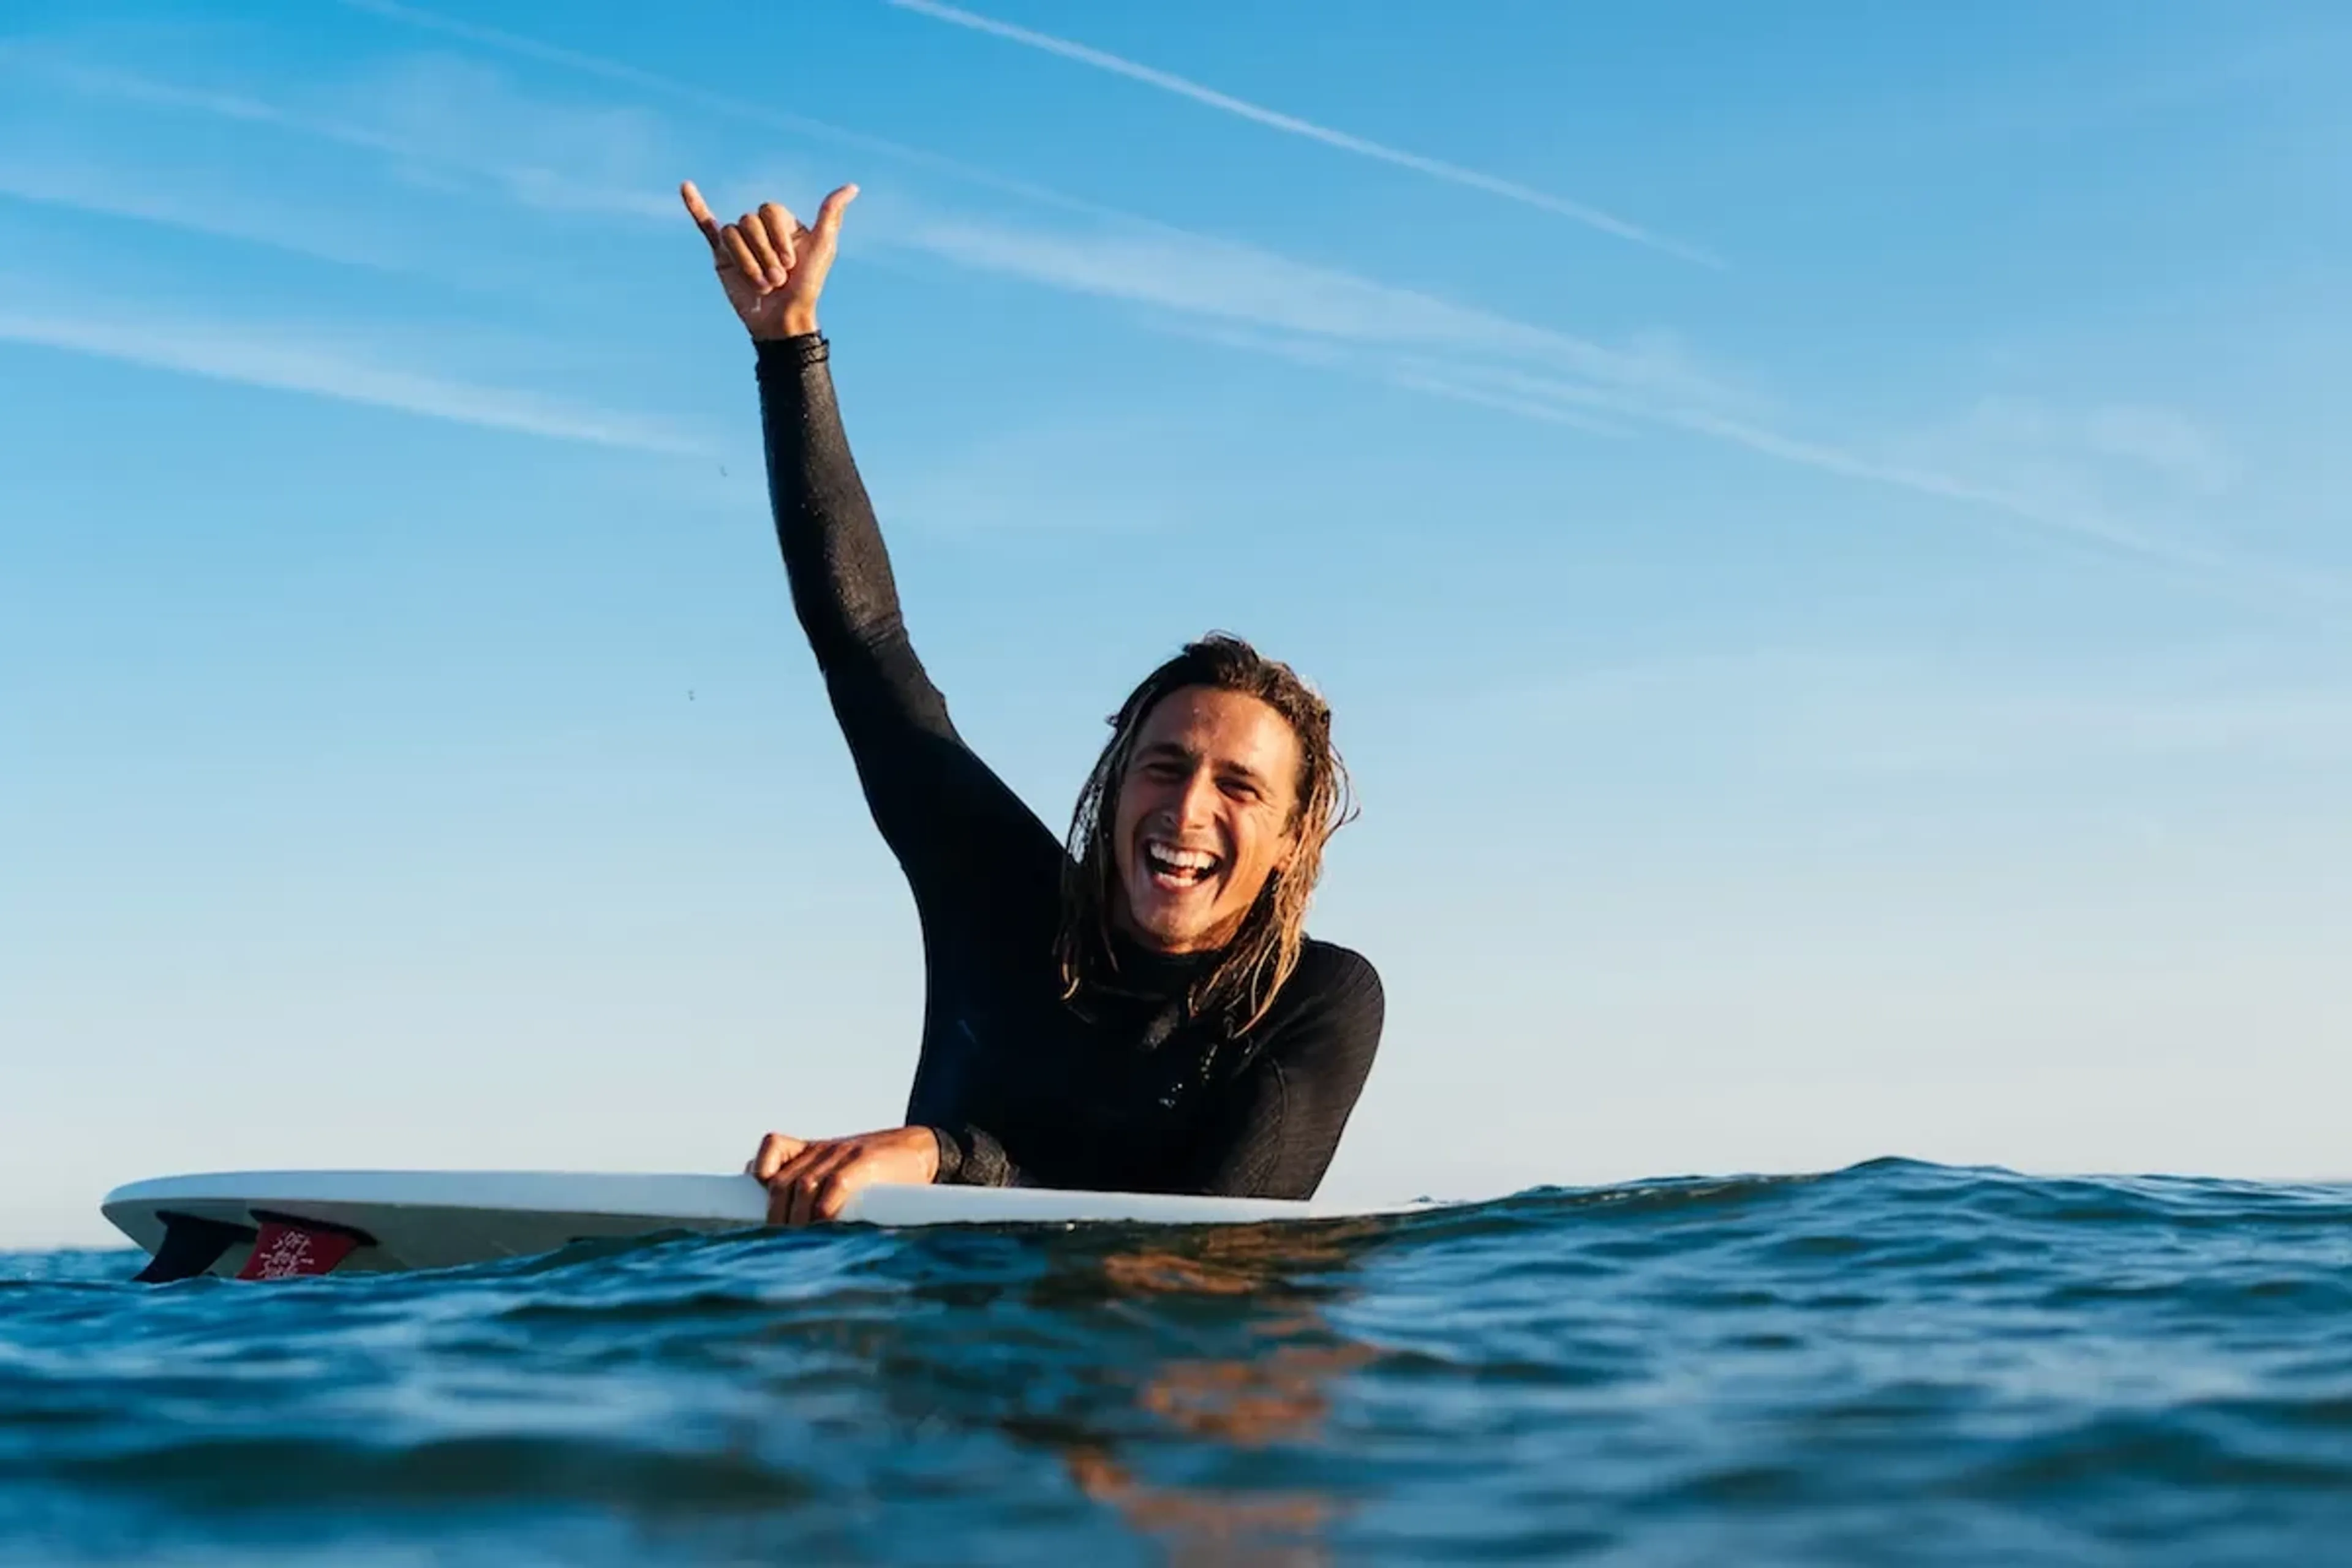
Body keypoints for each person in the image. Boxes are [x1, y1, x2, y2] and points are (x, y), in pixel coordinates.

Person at [680, 181, 1384, 1226]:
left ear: (1291, 838)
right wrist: (792, 350)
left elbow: (1204, 1249)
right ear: (1114, 780)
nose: (1188, 808)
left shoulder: (1316, 1003)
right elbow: (866, 646)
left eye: (1239, 786)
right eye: (1166, 764)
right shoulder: (997, 893)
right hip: (936, 1365)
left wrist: (942, 1155)